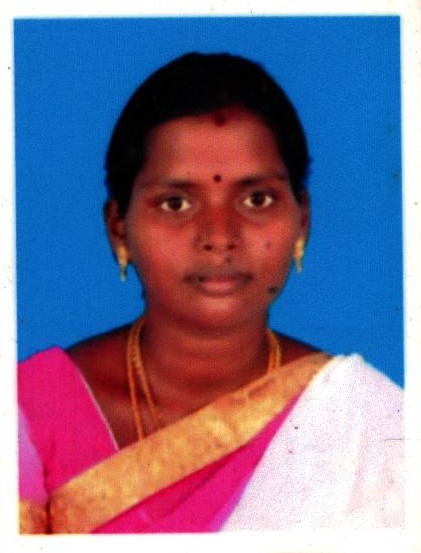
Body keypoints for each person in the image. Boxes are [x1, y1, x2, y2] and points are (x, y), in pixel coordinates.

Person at [18, 52, 404, 534]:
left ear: (302, 220)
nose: (219, 237)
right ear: (119, 228)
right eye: (176, 203)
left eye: (256, 199)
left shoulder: (368, 425)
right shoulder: (30, 410)